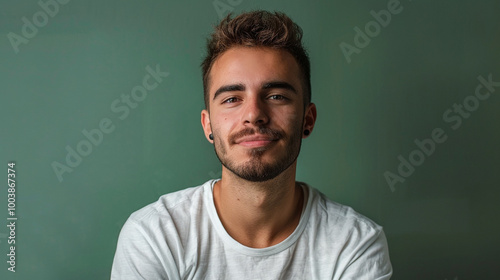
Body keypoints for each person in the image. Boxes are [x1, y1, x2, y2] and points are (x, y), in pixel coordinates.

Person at [111, 10, 392, 280]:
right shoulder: (154, 236)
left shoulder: (354, 244)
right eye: (232, 98)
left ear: (308, 119)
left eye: (277, 96)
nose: (254, 114)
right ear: (208, 125)